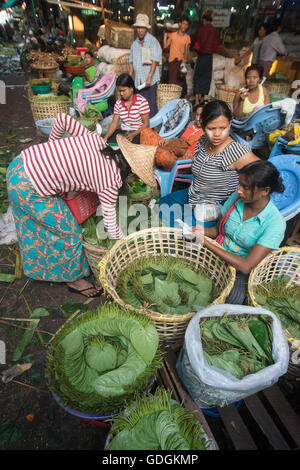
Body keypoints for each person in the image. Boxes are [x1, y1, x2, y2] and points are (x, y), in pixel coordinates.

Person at [6, 113, 153, 298]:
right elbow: (110, 226)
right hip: (26, 187)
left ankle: (45, 266)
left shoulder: (97, 141)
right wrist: (128, 246)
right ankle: (74, 280)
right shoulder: (110, 182)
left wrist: (51, 148)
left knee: (33, 224)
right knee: (70, 232)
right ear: (132, 174)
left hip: (20, 164)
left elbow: (61, 119)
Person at [191, 160, 286, 304]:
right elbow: (218, 230)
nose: (239, 190)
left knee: (231, 299)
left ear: (265, 191)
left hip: (239, 271)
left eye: (245, 187)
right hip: (217, 253)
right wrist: (199, 231)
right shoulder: (236, 200)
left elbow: (246, 266)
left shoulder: (275, 223)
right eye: (240, 184)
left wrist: (204, 242)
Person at [159, 100, 259, 227]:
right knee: (164, 204)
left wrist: (243, 195)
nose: (217, 134)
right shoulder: (202, 141)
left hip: (215, 207)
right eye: (211, 128)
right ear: (202, 124)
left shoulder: (235, 150)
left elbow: (261, 173)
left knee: (185, 229)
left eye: (223, 128)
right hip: (195, 195)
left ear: (230, 124)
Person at [193, 10, 240, 108]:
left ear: (204, 19)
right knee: (206, 78)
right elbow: (218, 47)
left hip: (201, 57)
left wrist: (199, 50)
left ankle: (196, 101)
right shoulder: (216, 32)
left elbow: (196, 45)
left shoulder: (201, 30)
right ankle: (202, 100)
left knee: (197, 77)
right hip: (209, 58)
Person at [140, 104, 204, 171]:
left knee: (162, 156)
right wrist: (169, 141)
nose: (197, 118)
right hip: (174, 147)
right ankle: (151, 158)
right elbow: (180, 140)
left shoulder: (208, 133)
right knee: (146, 131)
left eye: (201, 116)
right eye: (197, 115)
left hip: (184, 160)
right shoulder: (191, 125)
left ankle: (150, 159)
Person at [129, 13, 162, 118]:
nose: (140, 30)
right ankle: (143, 130)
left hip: (149, 82)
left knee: (151, 106)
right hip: (138, 82)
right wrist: (130, 79)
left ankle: (152, 130)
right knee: (140, 107)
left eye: (142, 28)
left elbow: (155, 60)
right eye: (138, 28)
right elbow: (131, 62)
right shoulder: (134, 44)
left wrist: (149, 77)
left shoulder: (153, 42)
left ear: (146, 29)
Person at [104, 73, 150, 144]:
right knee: (109, 143)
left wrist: (133, 134)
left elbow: (146, 124)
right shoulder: (118, 103)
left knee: (129, 145)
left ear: (131, 89)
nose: (121, 94)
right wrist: (106, 137)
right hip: (124, 132)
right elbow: (114, 123)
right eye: (120, 91)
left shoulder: (141, 102)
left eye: (124, 90)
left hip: (138, 133)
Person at [163, 16, 191, 89]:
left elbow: (186, 51)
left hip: (180, 63)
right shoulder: (173, 35)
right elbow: (165, 46)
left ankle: (178, 99)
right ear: (180, 24)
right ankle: (173, 99)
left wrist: (184, 62)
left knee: (179, 85)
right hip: (172, 62)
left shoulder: (187, 38)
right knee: (172, 83)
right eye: (183, 24)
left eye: (186, 24)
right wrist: (165, 36)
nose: (184, 26)